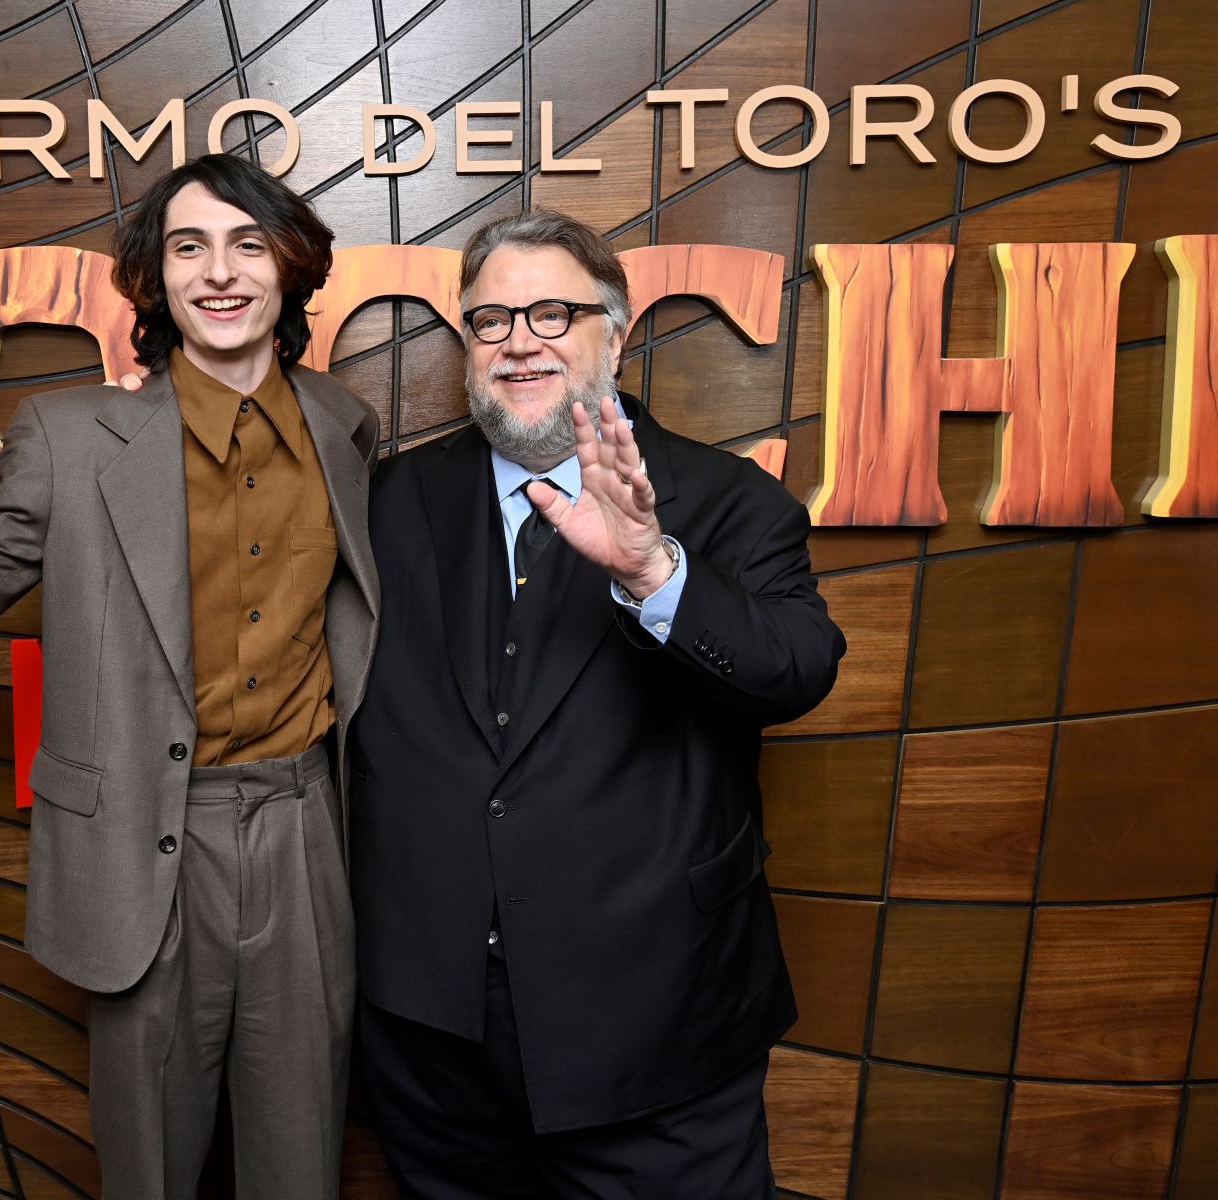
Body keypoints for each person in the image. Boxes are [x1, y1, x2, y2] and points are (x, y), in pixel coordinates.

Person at [0, 154, 379, 1200]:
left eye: (248, 244)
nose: (219, 272)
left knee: (304, 1160)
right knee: (150, 1173)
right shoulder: (68, 437)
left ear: (292, 267)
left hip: (310, 832)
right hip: (145, 843)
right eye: (188, 247)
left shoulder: (345, 427)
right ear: (155, 278)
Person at [347, 208, 845, 1197]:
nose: (518, 340)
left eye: (552, 313)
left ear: (613, 333)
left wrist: (654, 570)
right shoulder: (384, 502)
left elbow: (798, 668)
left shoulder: (724, 499)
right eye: (491, 321)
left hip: (656, 1024)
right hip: (435, 1038)